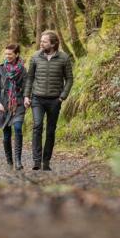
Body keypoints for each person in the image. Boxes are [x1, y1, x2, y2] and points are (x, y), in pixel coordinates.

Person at [24, 30, 73, 171]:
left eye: (44, 41)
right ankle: (36, 161)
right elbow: (30, 78)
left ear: (53, 43)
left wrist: (62, 96)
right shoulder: (35, 57)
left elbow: (69, 79)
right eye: (41, 40)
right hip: (37, 99)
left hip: (54, 100)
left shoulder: (64, 58)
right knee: (37, 126)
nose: (41, 43)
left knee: (51, 131)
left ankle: (46, 161)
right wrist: (27, 96)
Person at [0, 44, 26, 170]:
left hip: (18, 103)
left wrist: (26, 97)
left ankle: (18, 161)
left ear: (16, 54)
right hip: (4, 105)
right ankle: (9, 161)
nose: (7, 56)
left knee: (17, 128)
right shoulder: (0, 69)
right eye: (6, 54)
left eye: (10, 54)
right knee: (6, 135)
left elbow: (27, 85)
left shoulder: (22, 69)